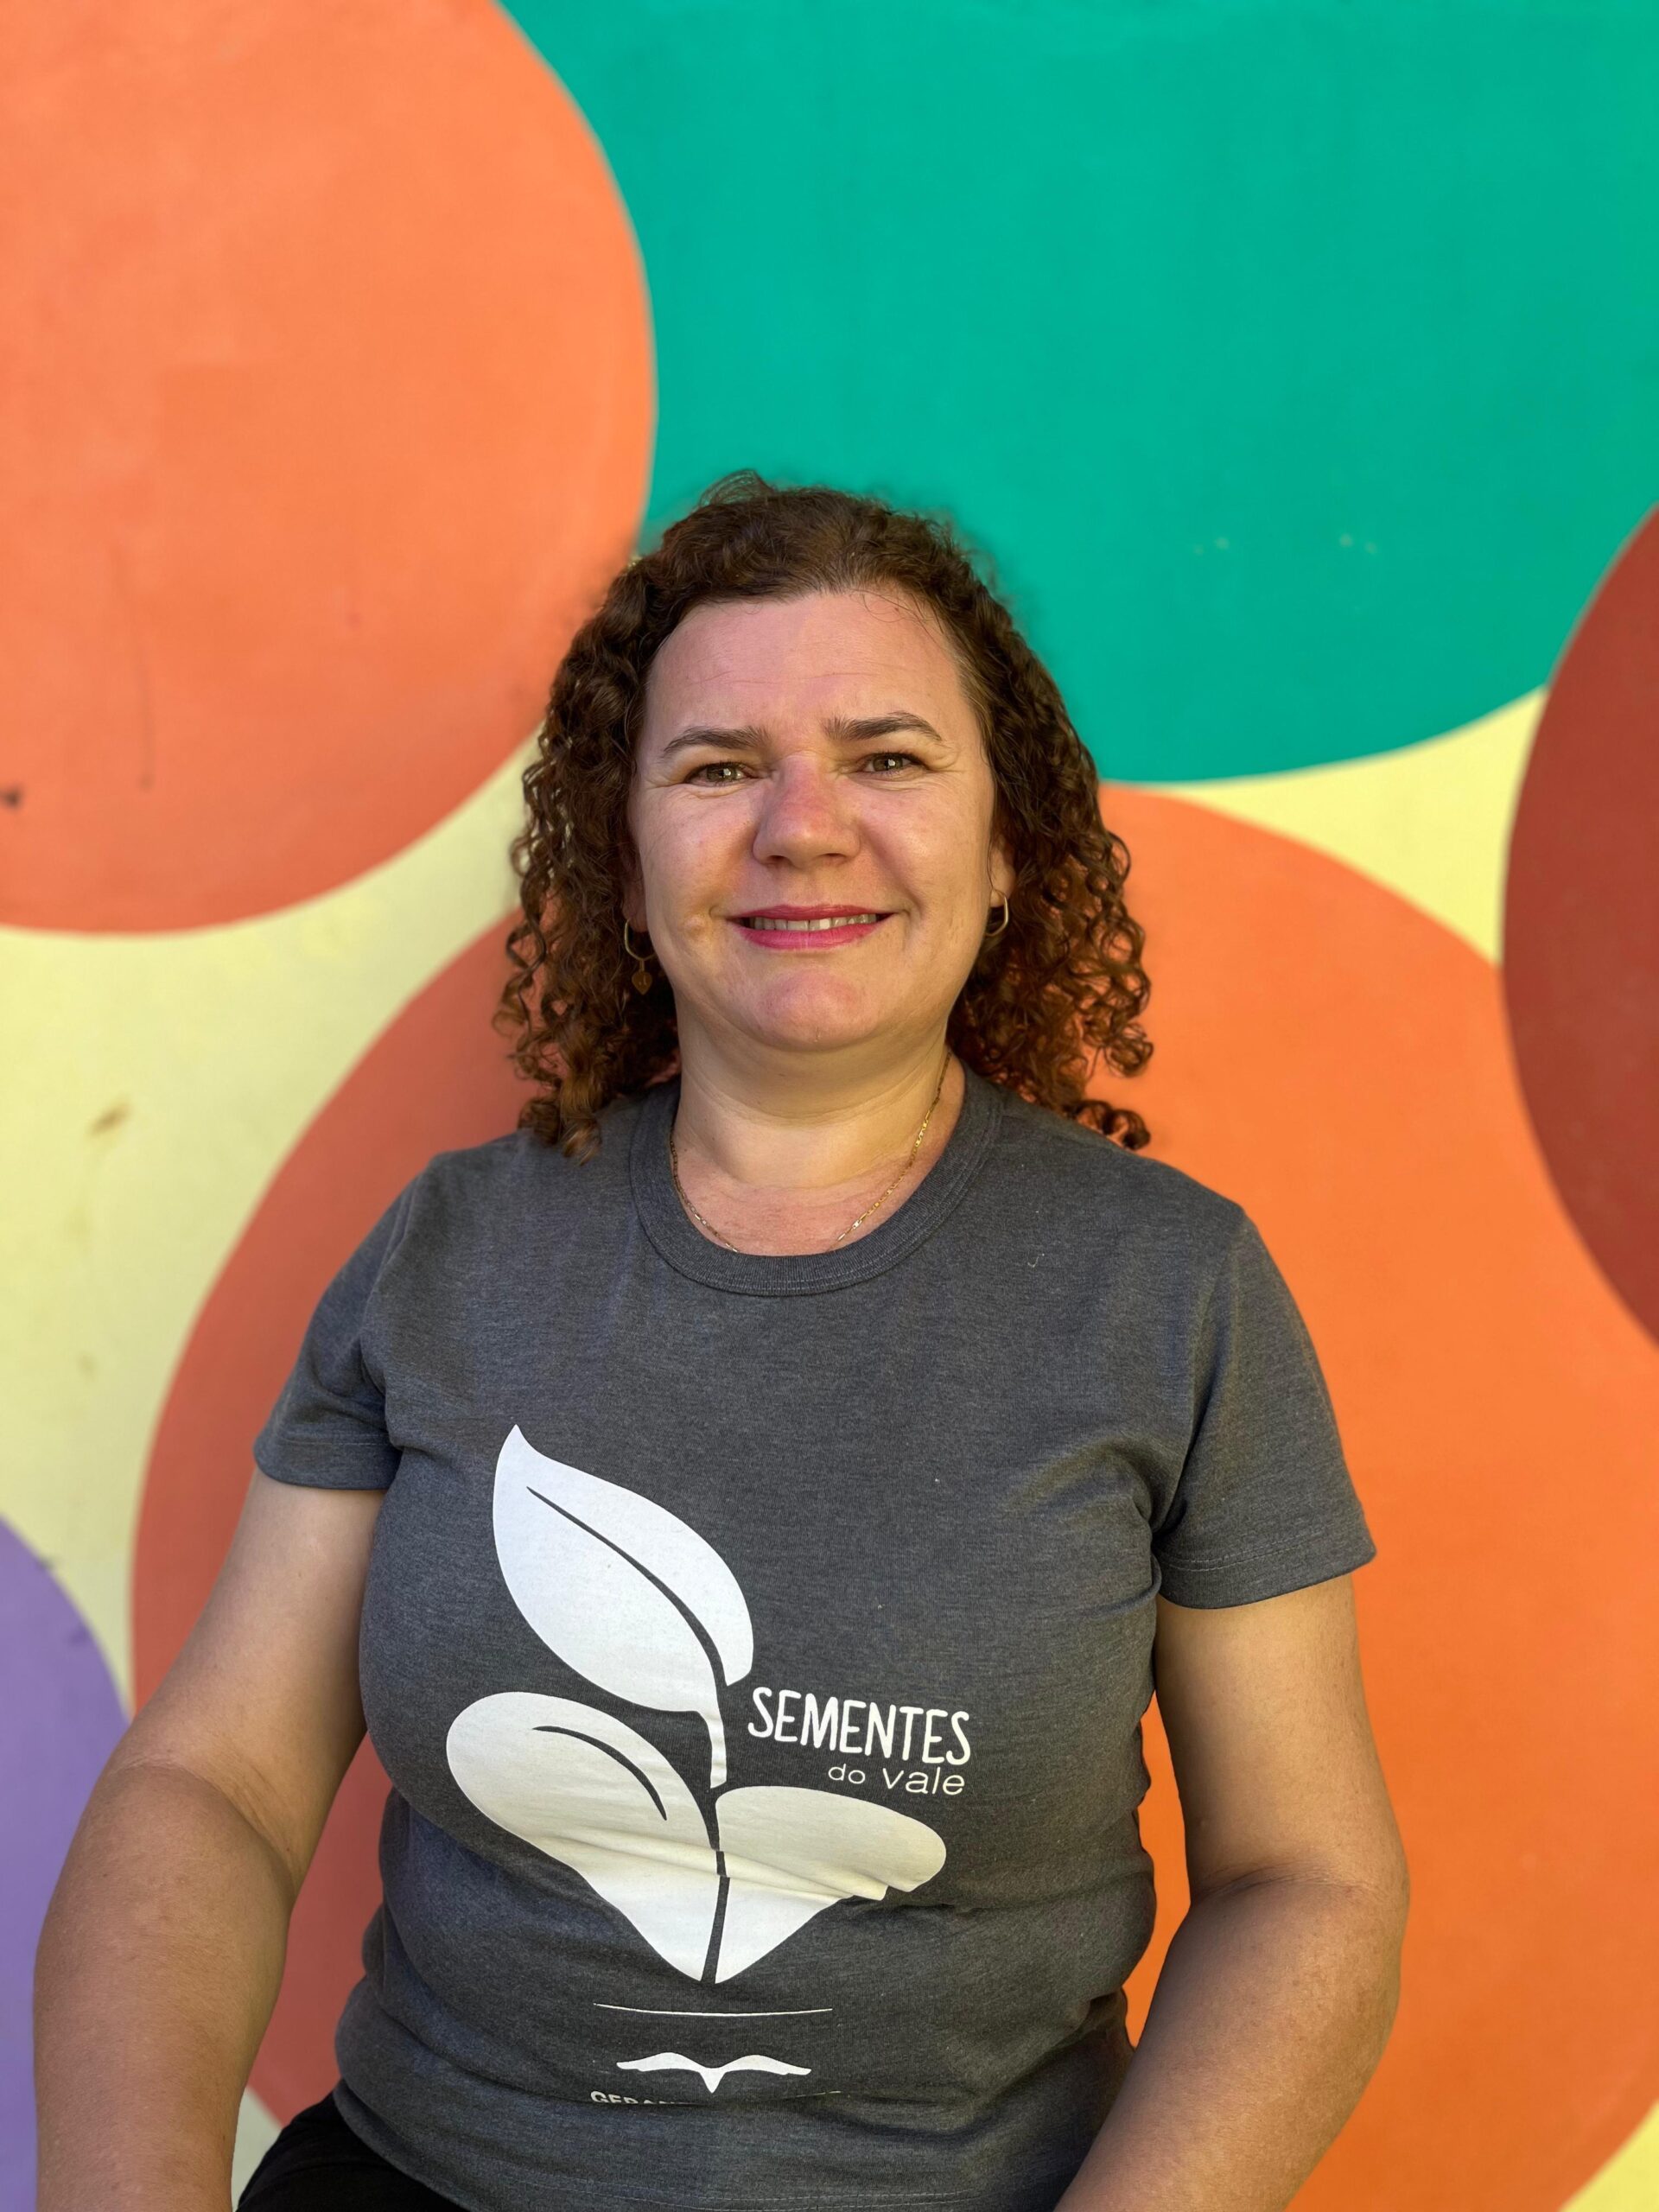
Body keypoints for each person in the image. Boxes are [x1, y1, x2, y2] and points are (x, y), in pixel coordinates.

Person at [34, 471, 1408, 2212]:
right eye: (716, 767)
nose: (802, 826)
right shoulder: (451, 1253)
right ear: (624, 868)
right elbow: (214, 1781)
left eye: (887, 757)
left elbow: (1304, 1879)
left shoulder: (1174, 1290)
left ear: (1006, 850)